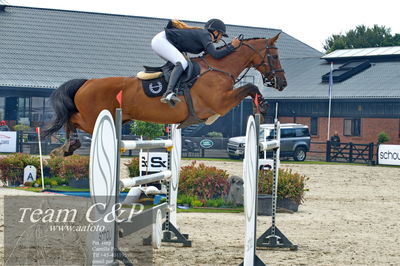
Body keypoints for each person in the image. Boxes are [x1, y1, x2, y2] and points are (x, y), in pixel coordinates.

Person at [151, 18, 241, 106]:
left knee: (183, 63)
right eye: (221, 35)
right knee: (182, 63)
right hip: (161, 41)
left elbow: (211, 56)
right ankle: (168, 93)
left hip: (163, 42)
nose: (221, 38)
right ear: (216, 32)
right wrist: (232, 46)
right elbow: (216, 54)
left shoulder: (204, 36)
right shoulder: (206, 34)